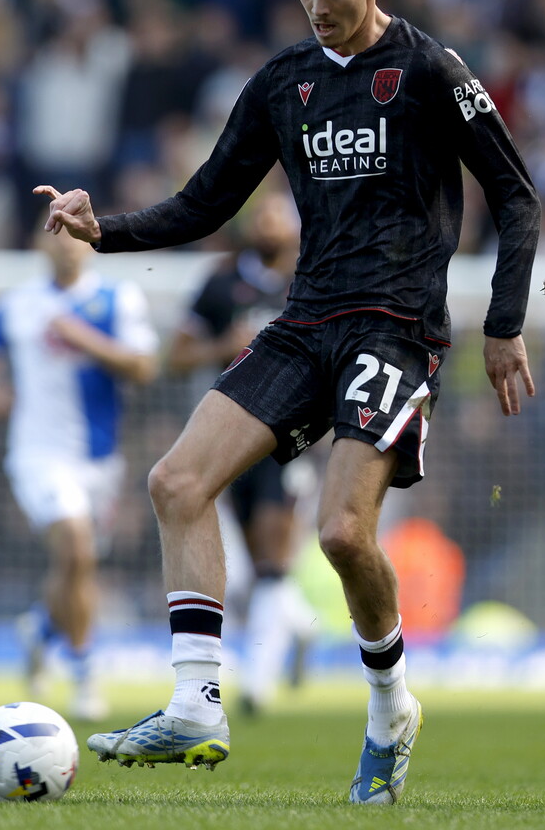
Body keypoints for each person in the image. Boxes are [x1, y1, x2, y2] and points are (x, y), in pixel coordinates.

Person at [36, 0, 541, 805]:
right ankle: (196, 704)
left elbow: (516, 196)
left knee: (341, 532)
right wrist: (98, 230)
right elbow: (203, 203)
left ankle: (391, 704)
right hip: (306, 321)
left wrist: (504, 324)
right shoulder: (283, 82)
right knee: (176, 484)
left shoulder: (430, 69)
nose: (318, 7)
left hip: (397, 328)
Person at [0, 226, 159, 721]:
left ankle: (40, 629)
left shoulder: (117, 298)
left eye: (71, 234)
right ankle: (84, 674)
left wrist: (84, 339)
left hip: (100, 461)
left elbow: (144, 368)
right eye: (52, 234)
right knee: (77, 551)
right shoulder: (18, 303)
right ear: (41, 244)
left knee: (77, 566)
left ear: (88, 242)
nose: (63, 243)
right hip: (37, 454)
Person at [166, 188, 318, 715]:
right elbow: (178, 355)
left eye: (284, 214)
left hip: (289, 441)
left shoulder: (313, 282)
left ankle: (258, 684)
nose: (272, 222)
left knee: (272, 562)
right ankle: (299, 627)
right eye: (266, 214)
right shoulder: (220, 283)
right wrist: (221, 346)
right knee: (247, 573)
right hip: (229, 439)